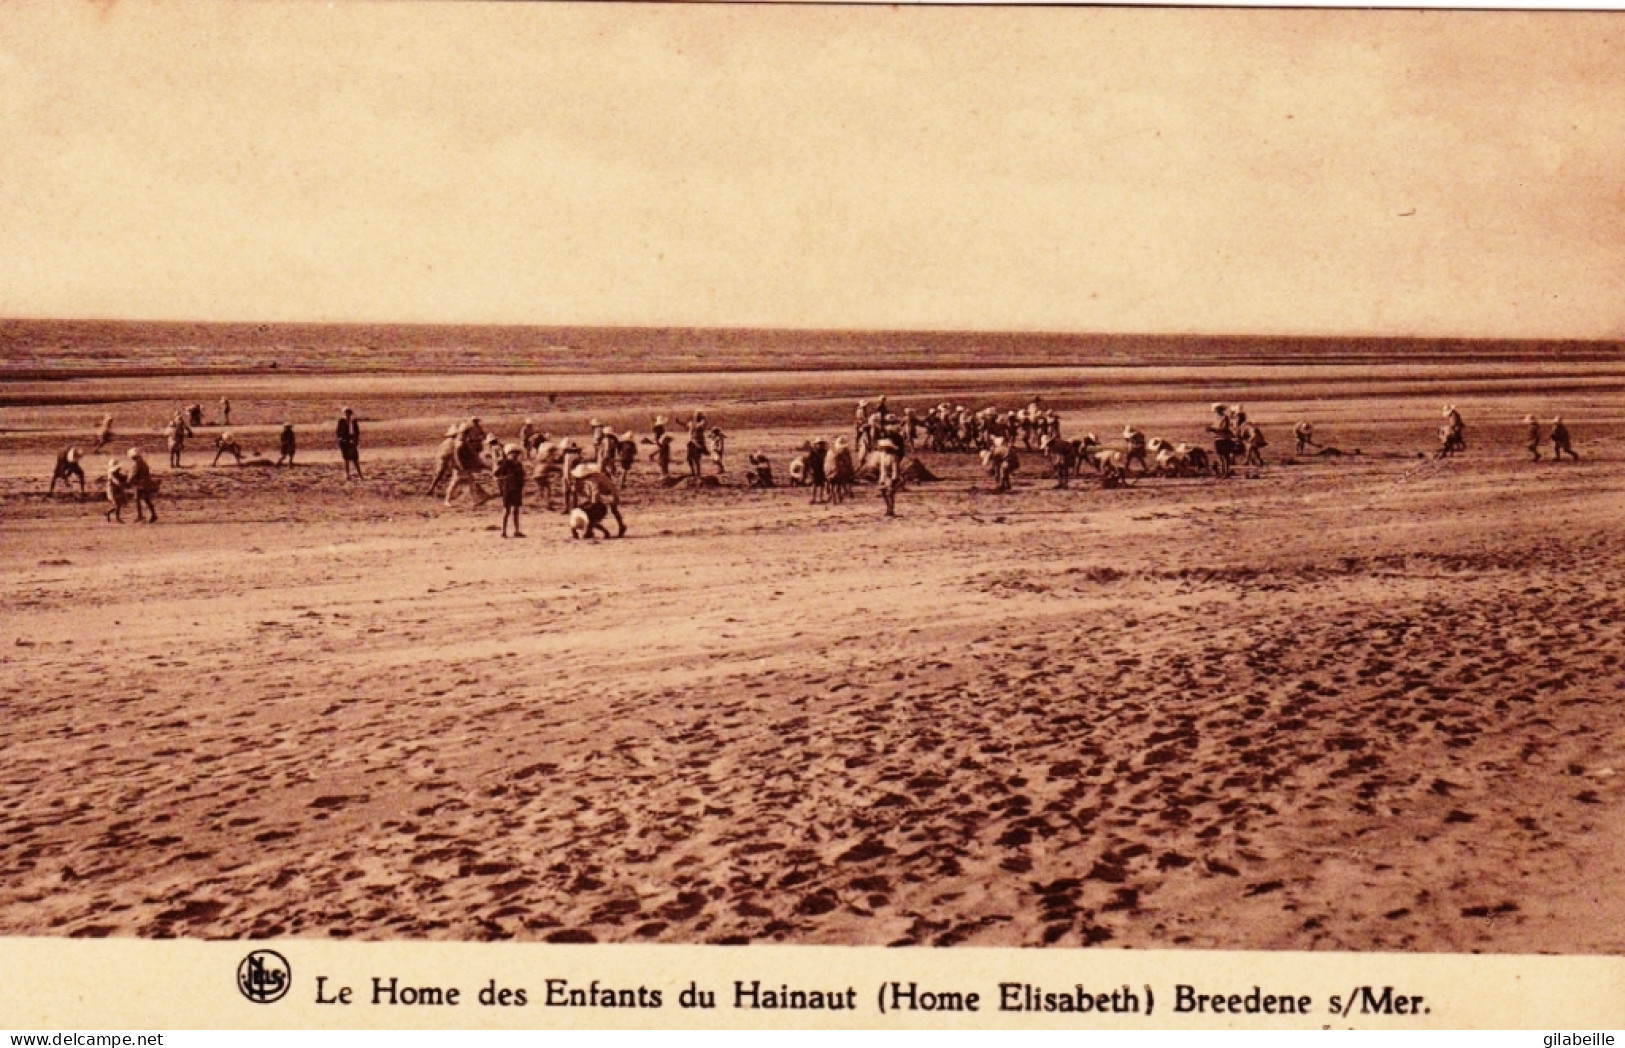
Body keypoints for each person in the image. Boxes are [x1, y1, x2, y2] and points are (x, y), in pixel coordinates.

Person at [495, 445, 527, 538]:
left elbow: (522, 476)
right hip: (508, 489)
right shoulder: (505, 464)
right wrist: (504, 479)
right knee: (507, 510)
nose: (514, 455)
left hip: (517, 489)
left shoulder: (519, 464)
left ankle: (516, 531)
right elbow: (497, 475)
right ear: (508, 454)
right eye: (512, 453)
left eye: (516, 453)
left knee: (516, 510)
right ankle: (504, 531)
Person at [127, 448, 158, 523]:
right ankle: (153, 514)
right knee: (146, 500)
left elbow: (132, 475)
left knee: (137, 499)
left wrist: (129, 481)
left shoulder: (137, 464)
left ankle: (140, 516)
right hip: (146, 483)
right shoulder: (144, 463)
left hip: (139, 485)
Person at [336, 408, 362, 479]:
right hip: (344, 442)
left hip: (352, 441)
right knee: (346, 459)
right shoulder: (342, 422)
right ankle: (348, 475)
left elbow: (357, 432)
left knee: (355, 458)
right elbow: (338, 432)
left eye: (349, 414)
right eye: (346, 414)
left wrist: (355, 440)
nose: (348, 416)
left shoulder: (353, 422)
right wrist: (341, 439)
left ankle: (360, 475)